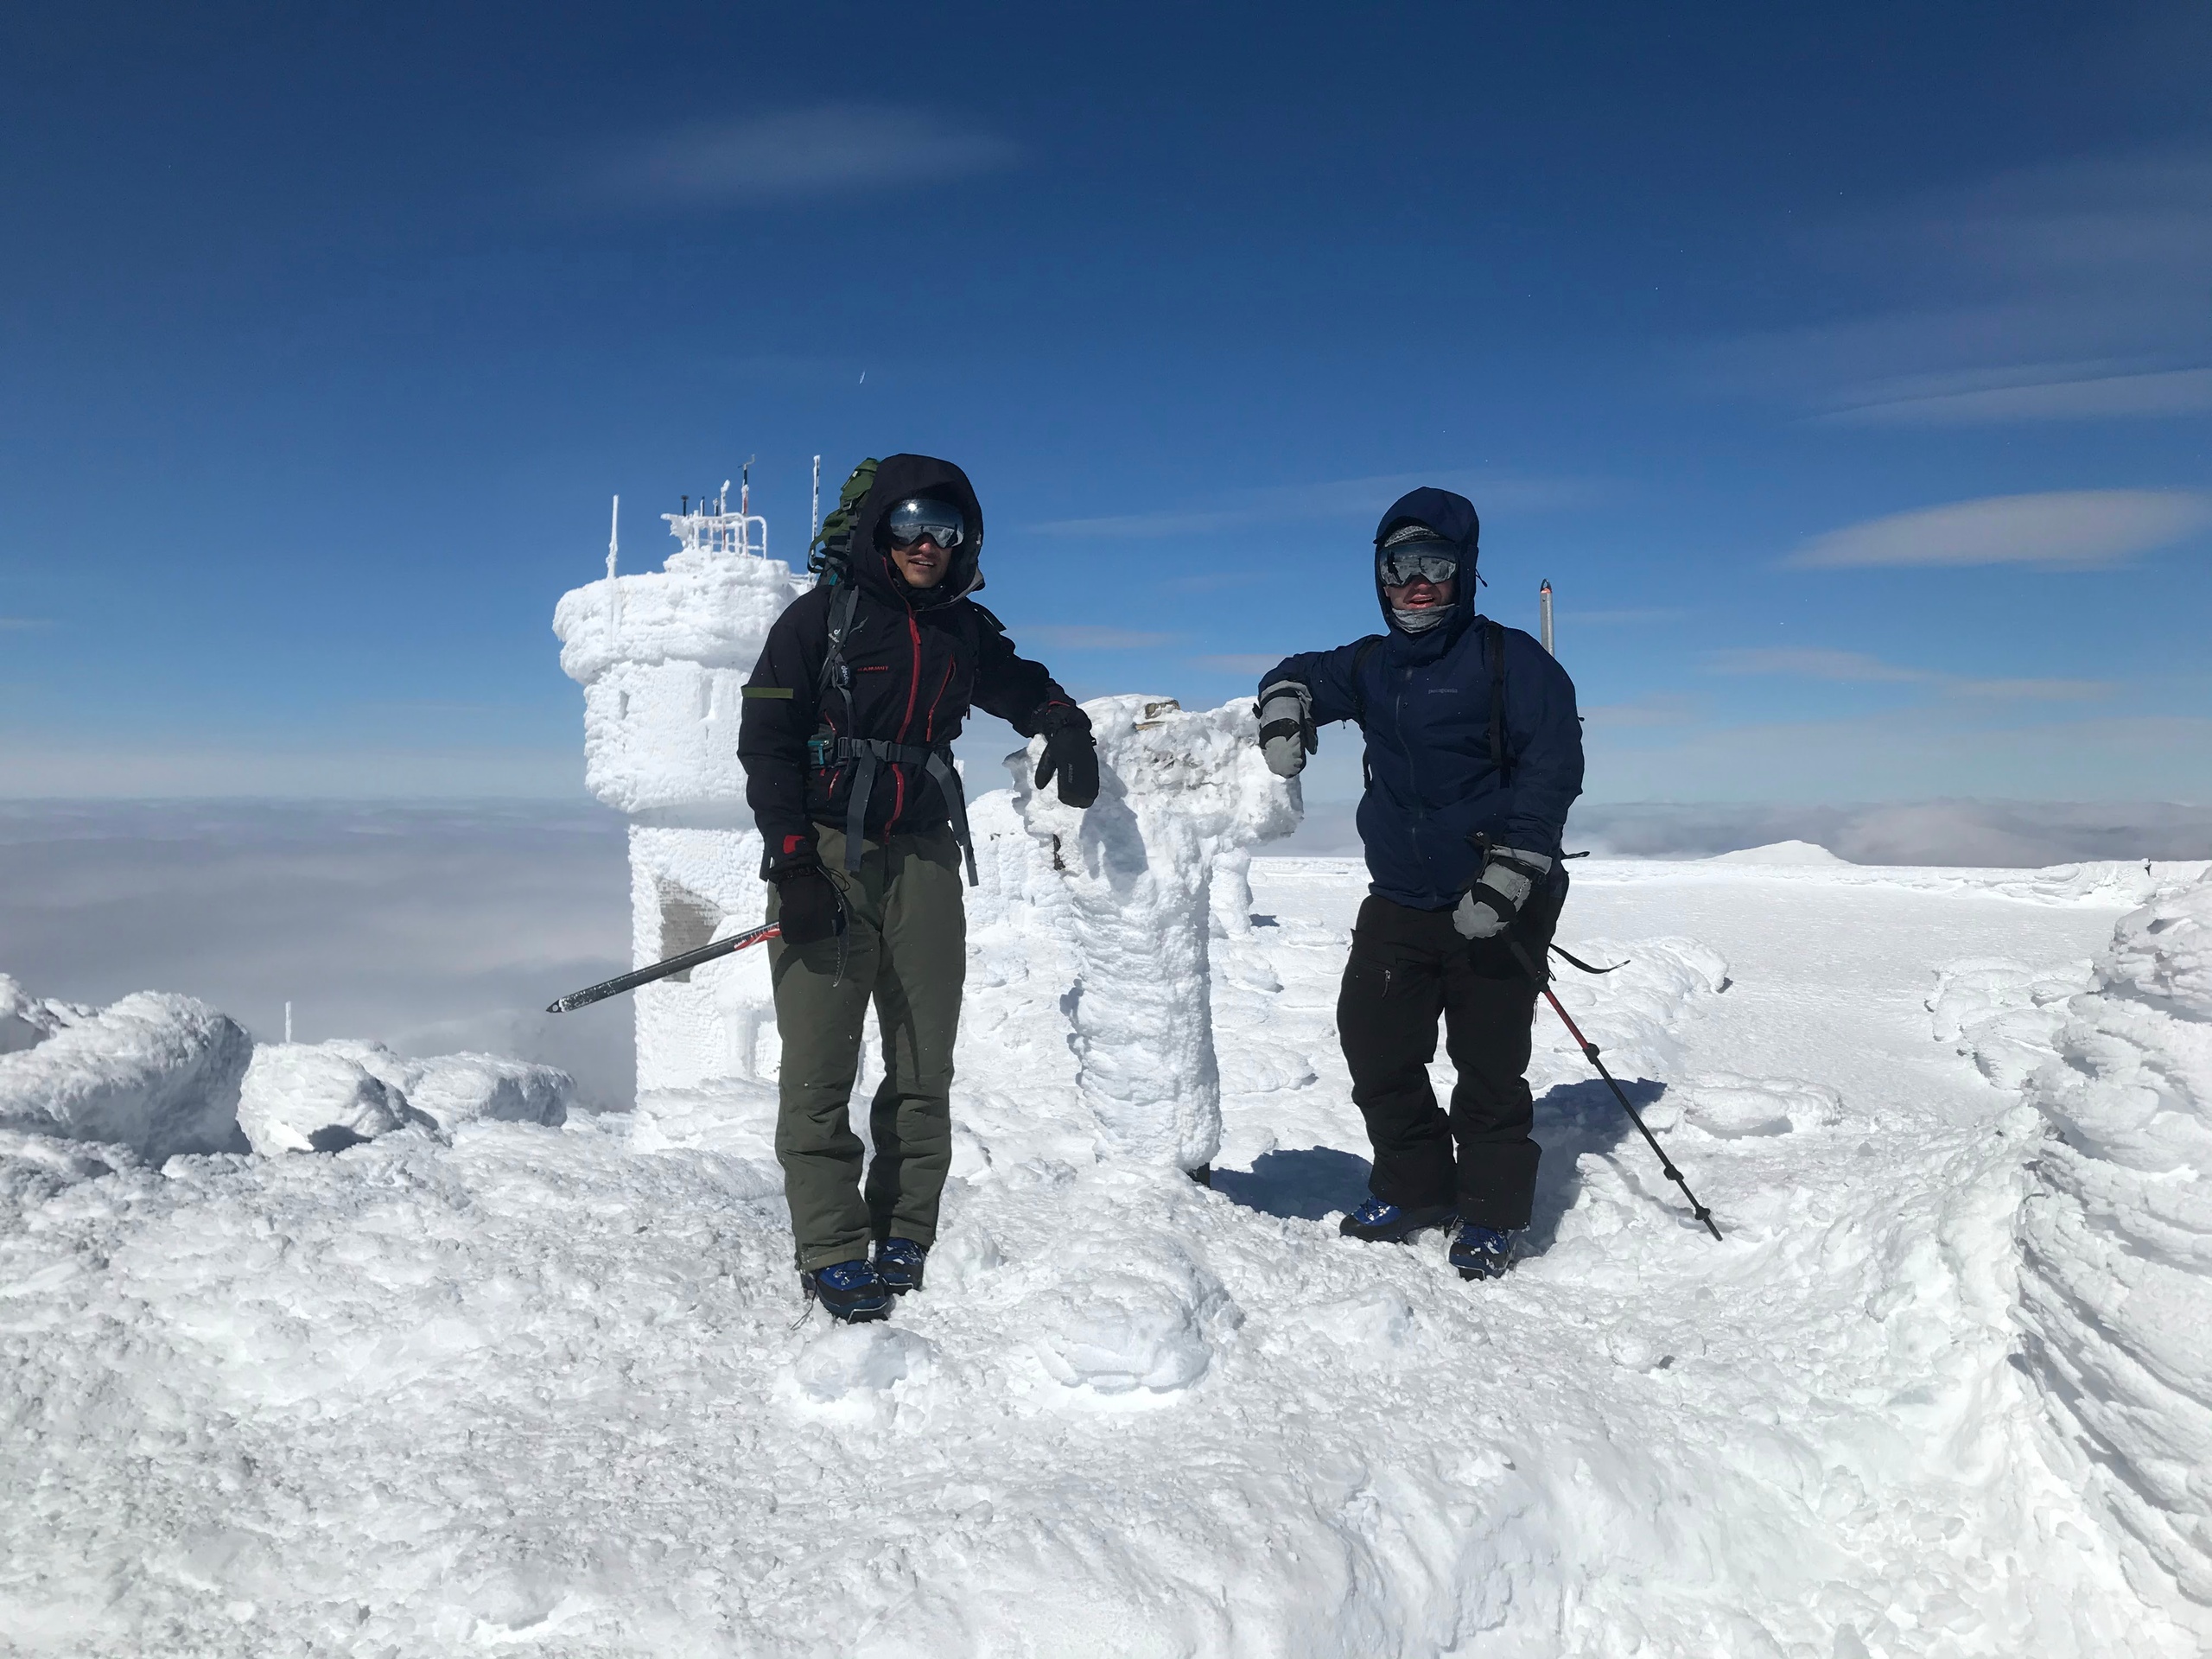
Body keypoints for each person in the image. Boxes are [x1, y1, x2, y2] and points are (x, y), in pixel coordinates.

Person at [738, 454, 1100, 1321]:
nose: (926, 542)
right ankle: (829, 1243)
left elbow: (1017, 682)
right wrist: (792, 866)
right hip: (825, 852)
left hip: (925, 856)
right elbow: (767, 744)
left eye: (944, 526)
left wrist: (1063, 719)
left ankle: (905, 1223)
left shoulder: (959, 631)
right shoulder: (815, 621)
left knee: (922, 1058)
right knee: (820, 1067)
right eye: (907, 523)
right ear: (877, 530)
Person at [1254, 486, 1583, 1281]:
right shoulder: (1372, 664)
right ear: (1381, 572)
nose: (1417, 582)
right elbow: (1298, 672)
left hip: (1496, 901)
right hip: (1400, 898)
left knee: (1488, 1065)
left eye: (1435, 564)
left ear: (1465, 571)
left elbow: (1553, 770)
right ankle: (1416, 1186)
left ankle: (1493, 1211)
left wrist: (1514, 869)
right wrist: (1284, 707)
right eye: (1401, 565)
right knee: (1376, 1044)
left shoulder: (1513, 661)